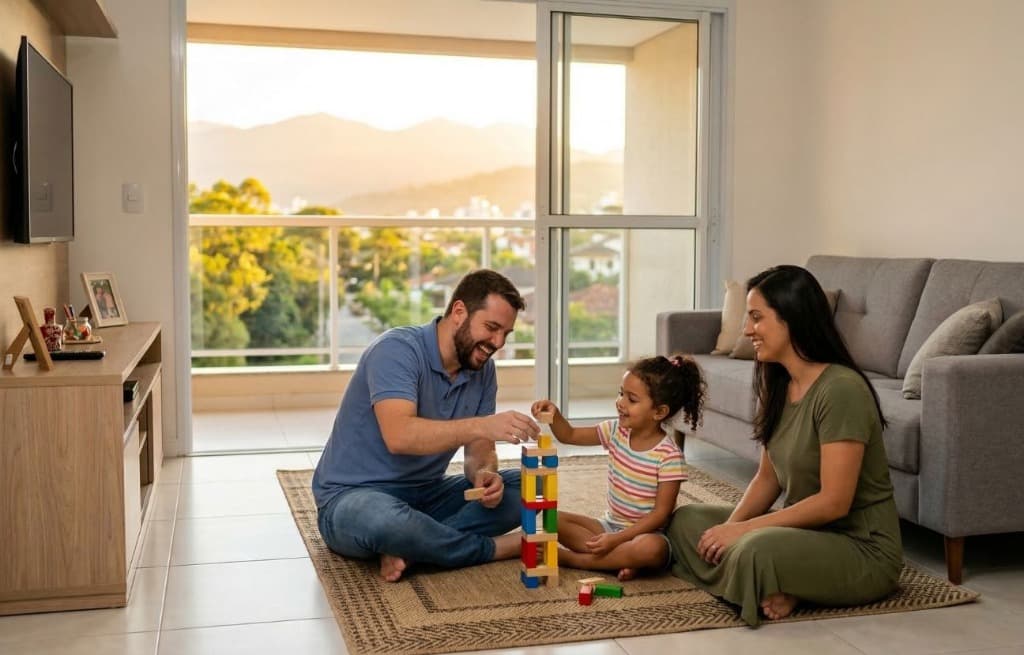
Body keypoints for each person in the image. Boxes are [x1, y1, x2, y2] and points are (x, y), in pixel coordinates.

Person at [666, 265, 903, 626]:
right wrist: (727, 530)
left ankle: (772, 579)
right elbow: (766, 478)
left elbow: (834, 502)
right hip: (803, 534)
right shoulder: (779, 382)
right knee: (686, 521)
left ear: (792, 318)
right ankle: (776, 583)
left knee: (753, 549)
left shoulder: (841, 390)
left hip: (860, 548)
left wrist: (742, 533)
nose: (747, 330)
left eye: (757, 318)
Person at [312, 269, 541, 583]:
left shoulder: (482, 369)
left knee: (531, 486)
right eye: (491, 328)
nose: (497, 343)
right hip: (353, 499)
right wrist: (482, 426)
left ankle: (412, 547)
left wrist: (484, 474)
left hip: (428, 495)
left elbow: (479, 450)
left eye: (506, 333)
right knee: (386, 522)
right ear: (459, 312)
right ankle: (490, 548)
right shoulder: (397, 351)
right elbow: (400, 436)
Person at [530, 355, 706, 581]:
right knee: (550, 517)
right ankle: (620, 561)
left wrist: (618, 539)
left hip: (644, 535)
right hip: (608, 525)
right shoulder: (615, 431)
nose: (621, 403)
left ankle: (571, 559)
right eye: (621, 393)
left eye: (632, 399)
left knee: (652, 550)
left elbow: (660, 515)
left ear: (659, 412)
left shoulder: (669, 456)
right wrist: (554, 415)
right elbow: (570, 435)